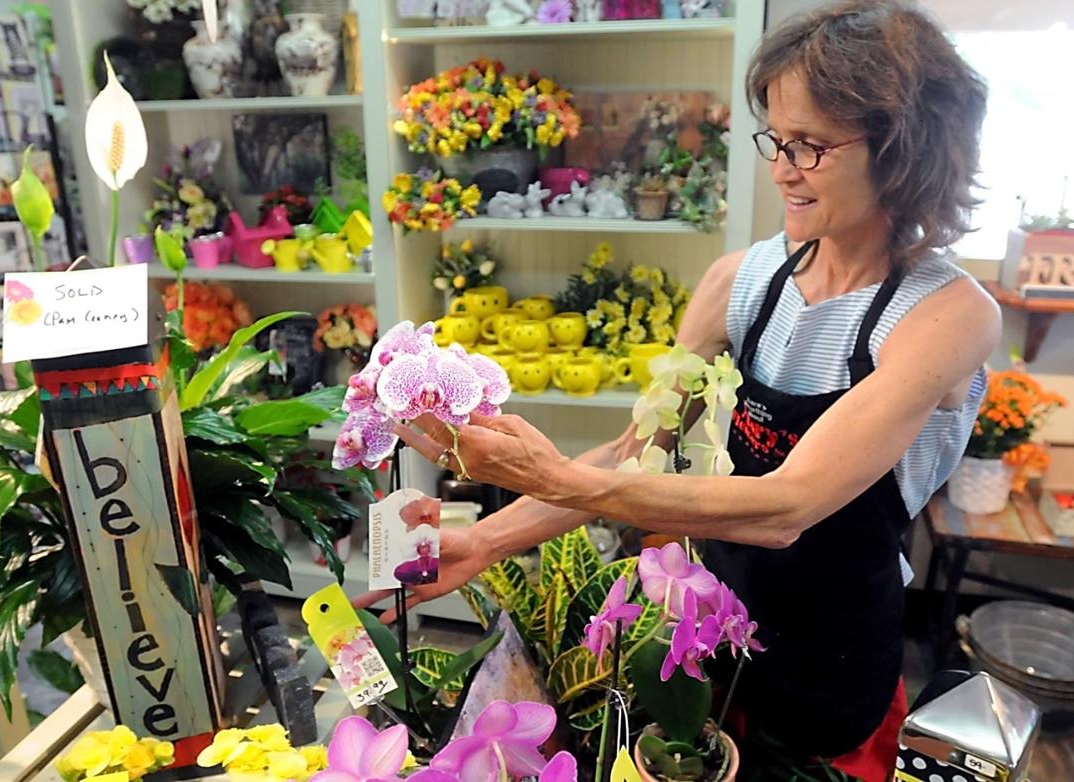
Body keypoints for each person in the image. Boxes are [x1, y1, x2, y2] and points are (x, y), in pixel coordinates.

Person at [357, 1, 998, 779]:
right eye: (777, 138)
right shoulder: (744, 282)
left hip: (833, 647)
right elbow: (643, 455)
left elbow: (790, 506)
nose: (783, 167)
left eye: (813, 146)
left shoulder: (945, 316)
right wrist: (487, 540)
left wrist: (556, 475)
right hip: (703, 629)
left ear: (904, 151)